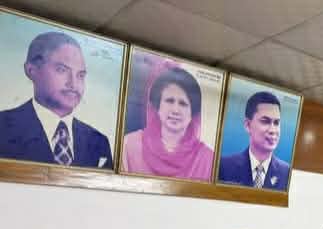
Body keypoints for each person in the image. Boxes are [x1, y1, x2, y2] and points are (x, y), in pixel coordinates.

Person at [0, 32, 113, 169]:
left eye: (80, 75)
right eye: (62, 70)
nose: (73, 84)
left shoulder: (98, 141)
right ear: (31, 70)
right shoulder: (3, 127)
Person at [121, 64, 214, 181]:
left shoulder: (207, 159)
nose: (175, 110)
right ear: (157, 106)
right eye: (169, 101)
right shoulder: (130, 145)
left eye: (183, 104)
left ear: (193, 113)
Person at [218, 91, 290, 191]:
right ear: (248, 125)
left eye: (276, 123)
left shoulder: (286, 172)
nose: (273, 130)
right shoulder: (224, 166)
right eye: (265, 121)